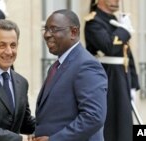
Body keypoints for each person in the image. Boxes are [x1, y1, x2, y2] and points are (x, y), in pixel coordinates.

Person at [34, 9, 108, 141]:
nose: (46, 34)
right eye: (45, 29)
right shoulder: (56, 66)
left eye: (54, 29)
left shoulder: (87, 65)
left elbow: (93, 117)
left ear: (73, 32)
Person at [84, 0, 140, 141]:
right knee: (111, 126)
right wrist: (123, 31)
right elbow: (109, 47)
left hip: (121, 79)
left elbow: (125, 53)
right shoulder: (93, 21)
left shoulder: (115, 20)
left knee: (124, 126)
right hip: (107, 79)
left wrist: (133, 82)